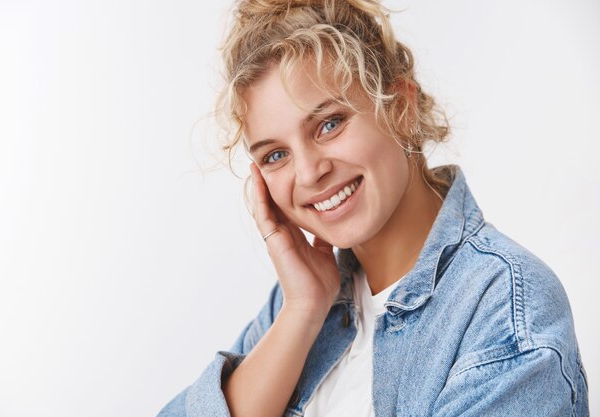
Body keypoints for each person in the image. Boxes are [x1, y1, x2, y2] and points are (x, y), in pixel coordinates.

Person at [158, 0, 588, 416]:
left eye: (329, 124)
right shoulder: (300, 300)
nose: (308, 174)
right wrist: (303, 311)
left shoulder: (505, 307)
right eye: (275, 155)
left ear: (399, 106)